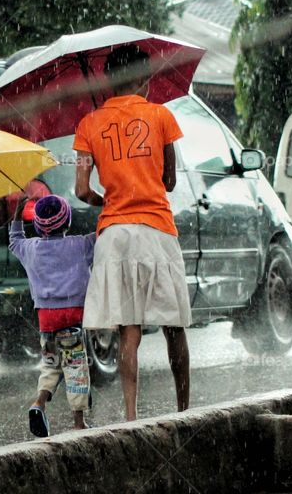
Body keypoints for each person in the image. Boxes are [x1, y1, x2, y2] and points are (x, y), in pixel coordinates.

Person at [73, 44, 191, 422]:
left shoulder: (88, 124)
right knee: (174, 325)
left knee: (129, 328)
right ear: (141, 78)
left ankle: (130, 415)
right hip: (156, 228)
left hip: (115, 233)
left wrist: (106, 198)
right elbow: (169, 181)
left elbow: (81, 190)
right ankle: (183, 409)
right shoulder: (161, 116)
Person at [9, 194, 96, 437]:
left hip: (46, 319)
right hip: (73, 317)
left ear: (37, 226)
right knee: (76, 365)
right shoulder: (80, 245)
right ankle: (79, 422)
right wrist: (104, 203)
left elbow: (14, 239)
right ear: (67, 222)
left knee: (51, 364)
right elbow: (105, 233)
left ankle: (39, 402)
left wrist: (17, 211)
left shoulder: (30, 249)